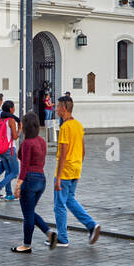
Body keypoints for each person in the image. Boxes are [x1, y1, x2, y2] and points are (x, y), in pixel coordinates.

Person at [52, 95, 102, 246]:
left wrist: (59, 177)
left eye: (58, 106)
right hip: (76, 168)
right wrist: (78, 165)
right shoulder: (78, 125)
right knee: (70, 200)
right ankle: (91, 225)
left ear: (64, 108)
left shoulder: (65, 127)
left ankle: (62, 238)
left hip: (65, 170)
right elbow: (83, 150)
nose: (56, 109)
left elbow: (63, 153)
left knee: (59, 205)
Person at [11, 112, 57, 252]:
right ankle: (49, 234)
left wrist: (18, 185)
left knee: (28, 214)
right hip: (41, 179)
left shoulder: (27, 143)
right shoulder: (41, 141)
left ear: (25, 127)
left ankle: (26, 245)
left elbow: (23, 165)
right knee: (30, 212)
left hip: (29, 180)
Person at [0, 101, 21, 200]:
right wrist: (20, 130)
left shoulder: (0, 120)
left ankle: (9, 194)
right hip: (9, 149)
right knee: (14, 172)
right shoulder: (11, 120)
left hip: (1, 150)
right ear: (10, 109)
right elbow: (15, 136)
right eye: (13, 108)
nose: (14, 109)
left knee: (8, 171)